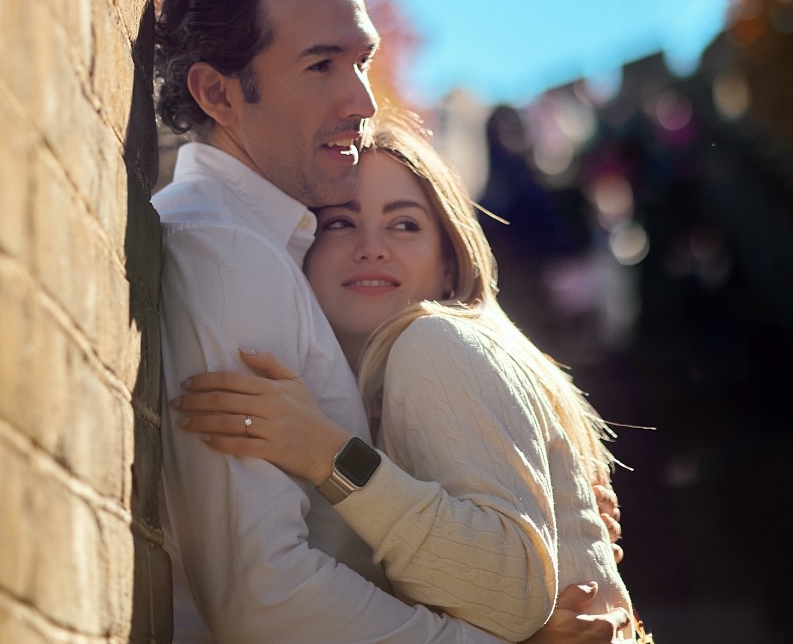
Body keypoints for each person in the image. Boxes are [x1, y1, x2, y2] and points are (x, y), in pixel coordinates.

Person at [152, 0, 628, 644]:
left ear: (449, 257)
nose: (364, 103)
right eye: (320, 66)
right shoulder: (228, 254)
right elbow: (264, 596)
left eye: (362, 63)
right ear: (218, 94)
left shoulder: (298, 262)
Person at [170, 119, 646, 641]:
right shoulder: (381, 383)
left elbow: (513, 593)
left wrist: (328, 454)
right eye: (339, 224)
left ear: (449, 265)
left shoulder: (432, 343)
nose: (372, 247)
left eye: (404, 225)